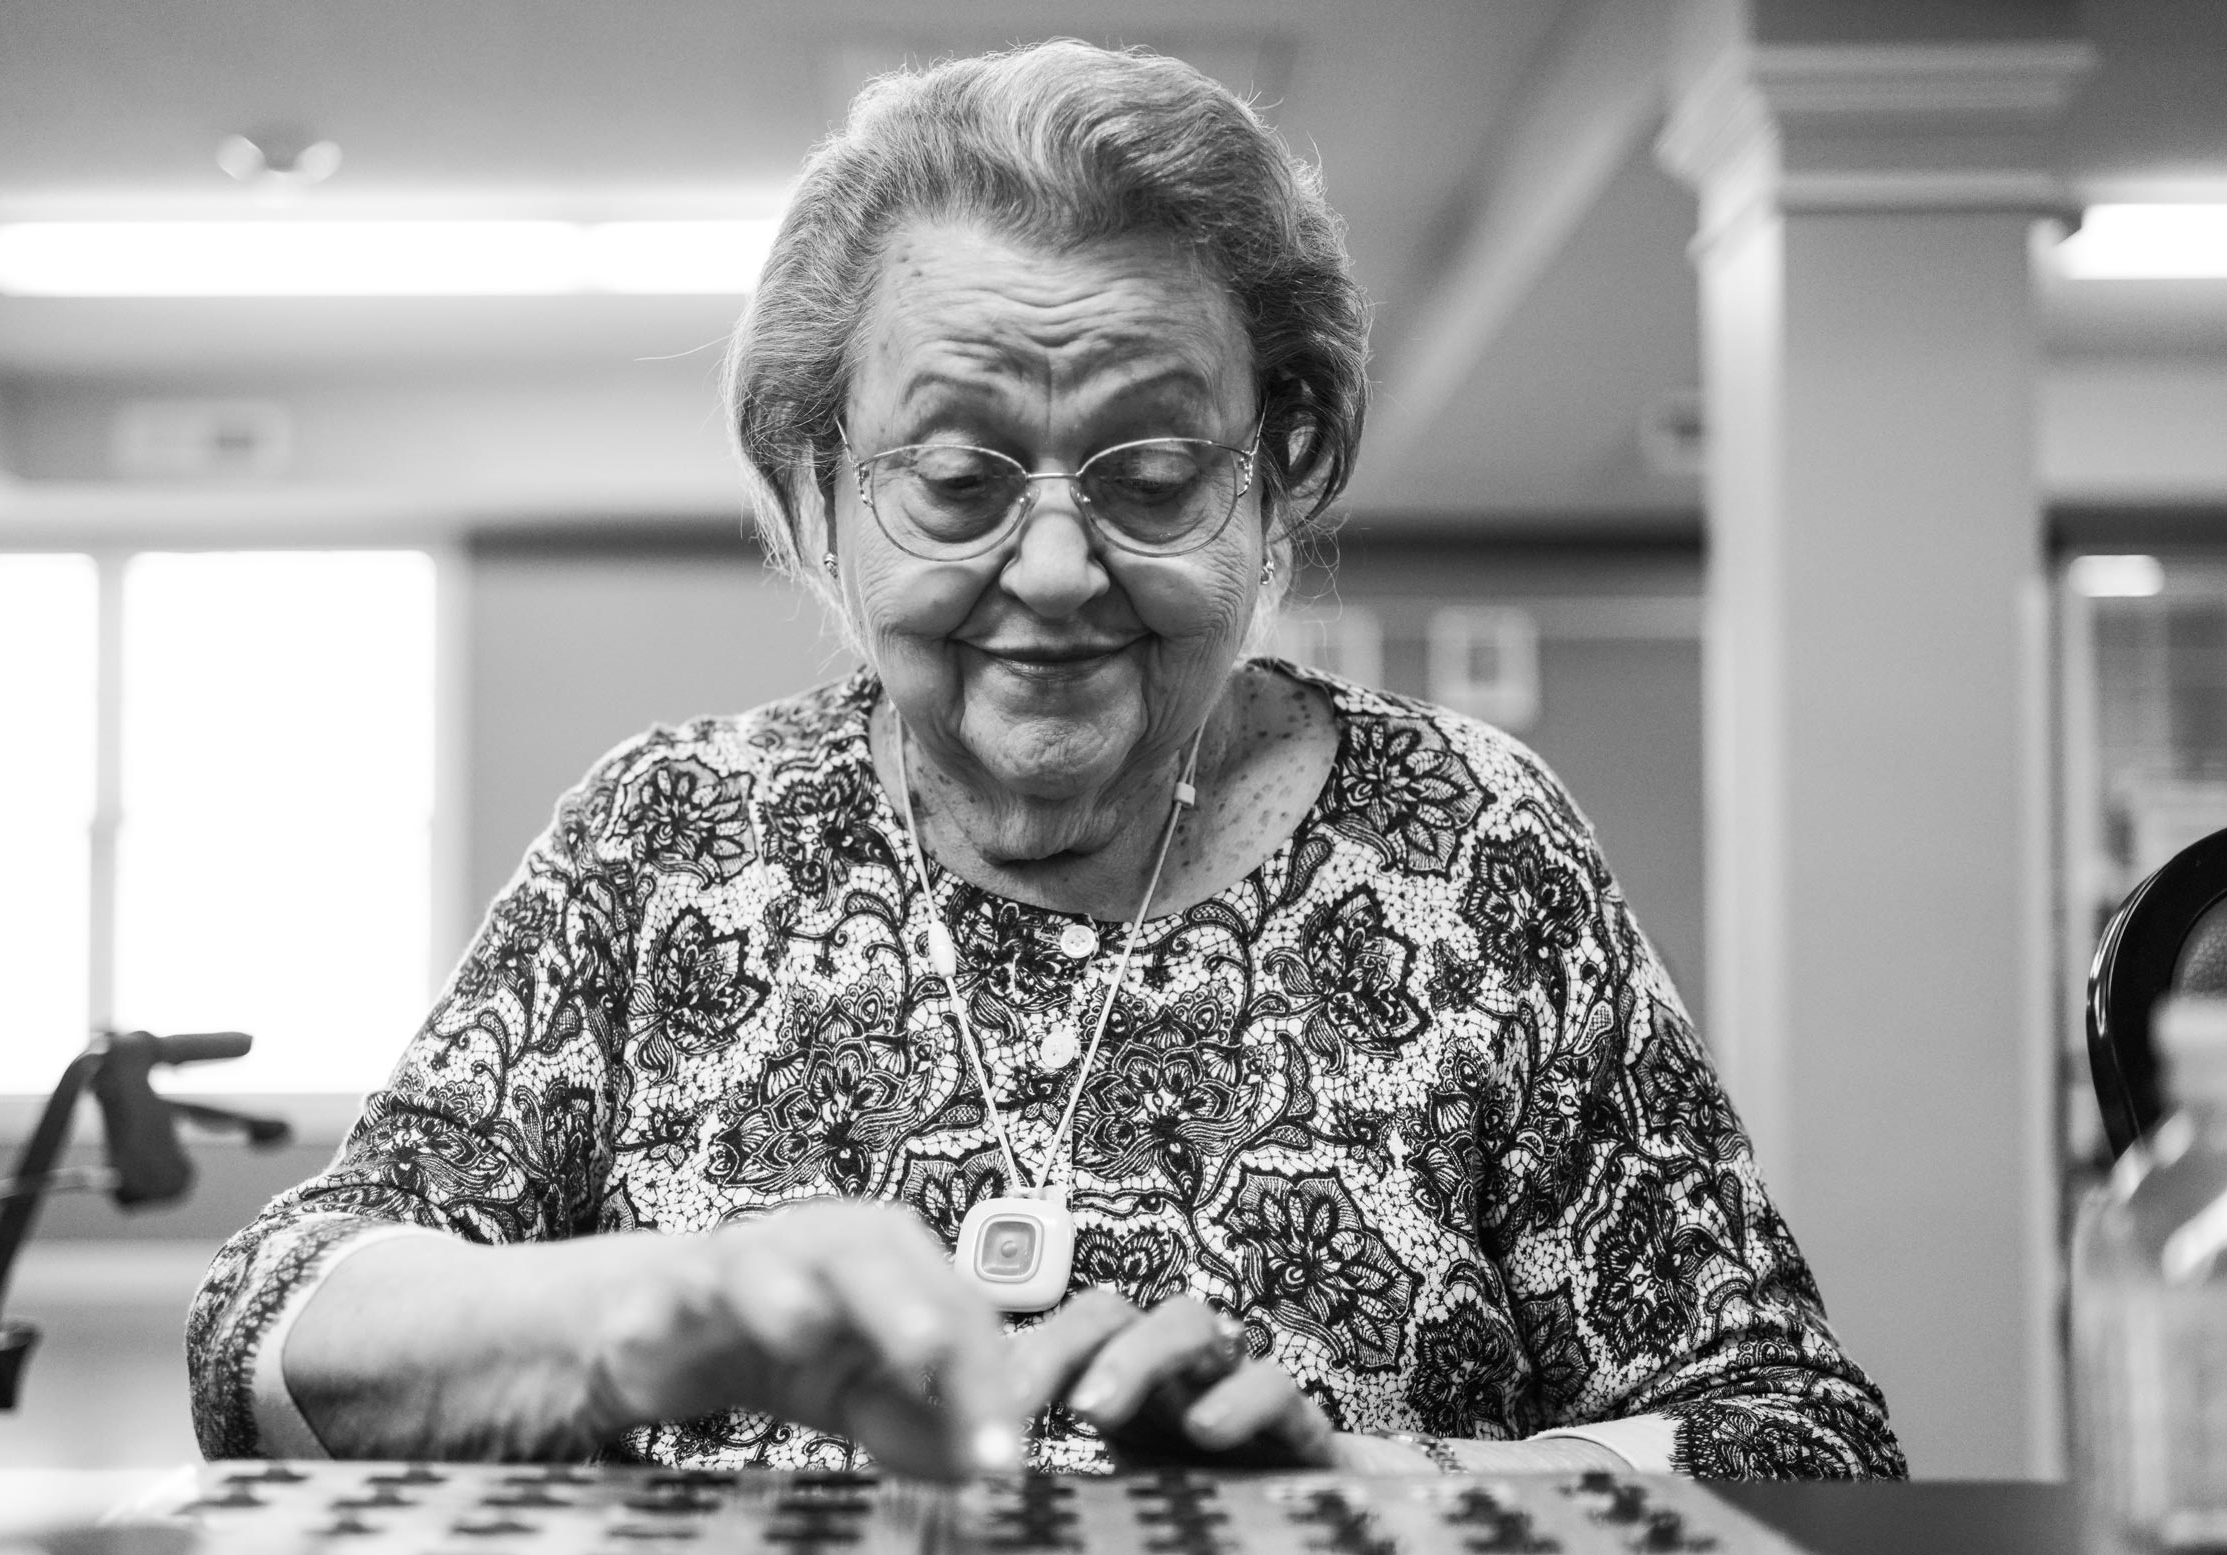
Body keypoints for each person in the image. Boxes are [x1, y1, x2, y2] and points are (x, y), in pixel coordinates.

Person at [187, 40, 1905, 1482]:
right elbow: (270, 1324)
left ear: (1277, 474)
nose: (1063, 568)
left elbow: (1794, 1432)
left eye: (1155, 474)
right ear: (820, 491)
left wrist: (1392, 1483)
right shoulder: (668, 838)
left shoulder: (1470, 846)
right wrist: (649, 1307)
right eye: (957, 478)